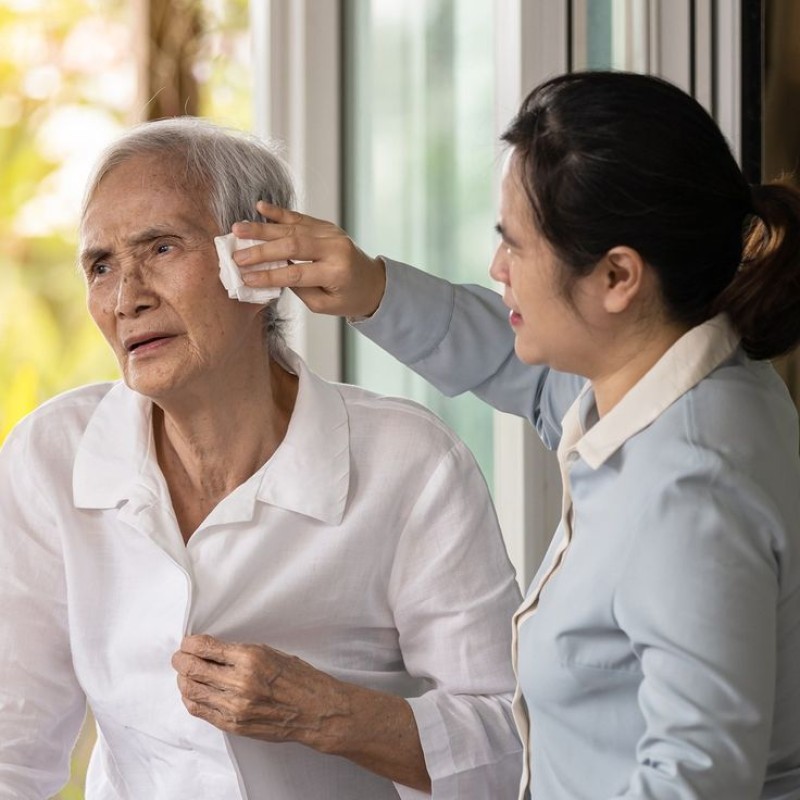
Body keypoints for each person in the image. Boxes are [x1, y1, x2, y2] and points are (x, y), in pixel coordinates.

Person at [228, 71, 800, 799]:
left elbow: (697, 784)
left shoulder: (690, 487)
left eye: (516, 246)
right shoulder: (689, 371)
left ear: (618, 276)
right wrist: (371, 285)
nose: (497, 270)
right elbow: (517, 364)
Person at [0, 117, 525, 799]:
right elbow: (14, 743)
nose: (125, 296)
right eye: (100, 266)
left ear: (259, 265)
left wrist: (329, 714)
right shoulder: (51, 455)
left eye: (160, 248)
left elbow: (516, 745)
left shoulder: (409, 464)